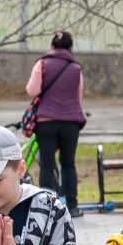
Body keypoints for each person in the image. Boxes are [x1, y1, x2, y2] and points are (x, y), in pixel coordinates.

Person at [25, 31, 86, 213]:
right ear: (70, 48)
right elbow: (79, 96)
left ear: (52, 46)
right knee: (68, 164)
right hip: (70, 123)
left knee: (47, 164)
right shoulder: (76, 69)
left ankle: (46, 208)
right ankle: (72, 206)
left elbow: (32, 90)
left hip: (46, 121)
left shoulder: (42, 63)